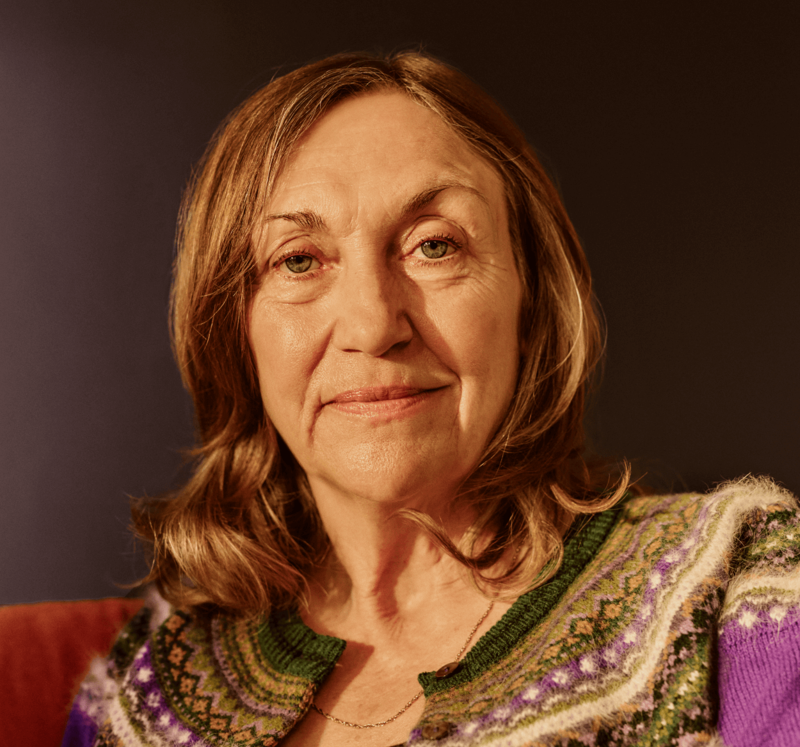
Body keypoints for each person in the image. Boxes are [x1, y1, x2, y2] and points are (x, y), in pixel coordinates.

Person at [62, 51, 800, 747]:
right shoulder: (149, 692)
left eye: (434, 245)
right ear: (233, 331)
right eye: (298, 260)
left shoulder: (741, 589)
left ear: (531, 302)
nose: (373, 325)